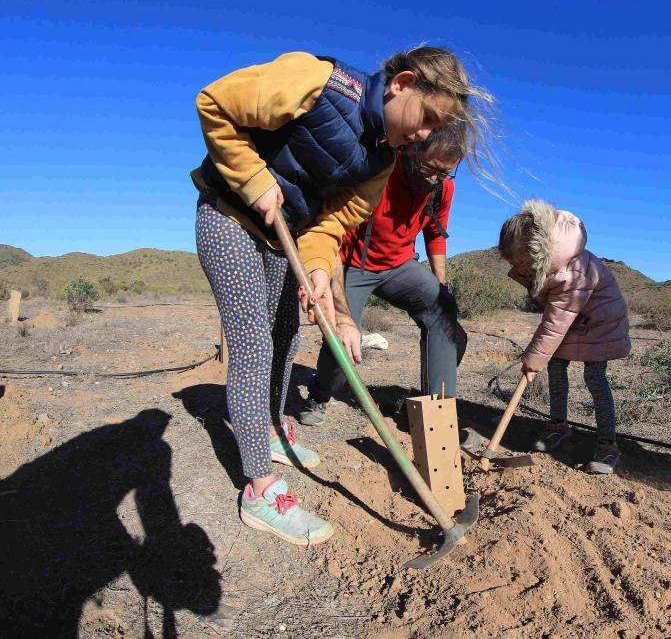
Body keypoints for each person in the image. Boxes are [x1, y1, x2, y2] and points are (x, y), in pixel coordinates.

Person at [193, 46, 492, 545]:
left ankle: (269, 429)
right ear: (402, 83)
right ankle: (261, 490)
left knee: (287, 337)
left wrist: (313, 269)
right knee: (254, 345)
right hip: (229, 216)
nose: (423, 136)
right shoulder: (318, 82)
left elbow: (331, 224)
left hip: (281, 237)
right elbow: (216, 103)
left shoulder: (381, 159)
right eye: (426, 119)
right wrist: (252, 176)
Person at [300, 124, 469, 425]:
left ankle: (437, 418)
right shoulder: (378, 168)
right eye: (430, 168)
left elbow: (435, 233)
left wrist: (442, 289)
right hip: (351, 263)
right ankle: (321, 393)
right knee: (341, 333)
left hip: (400, 264)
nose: (435, 178)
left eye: (445, 172)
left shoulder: (442, 185)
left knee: (443, 311)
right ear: (411, 148)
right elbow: (333, 229)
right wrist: (337, 302)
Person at [498, 200, 631, 474]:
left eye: (519, 261)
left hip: (599, 325)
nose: (516, 266)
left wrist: (532, 361)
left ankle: (608, 446)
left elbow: (556, 320)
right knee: (557, 369)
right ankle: (558, 426)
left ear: (536, 252)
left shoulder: (575, 273)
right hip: (574, 324)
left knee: (595, 378)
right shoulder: (552, 265)